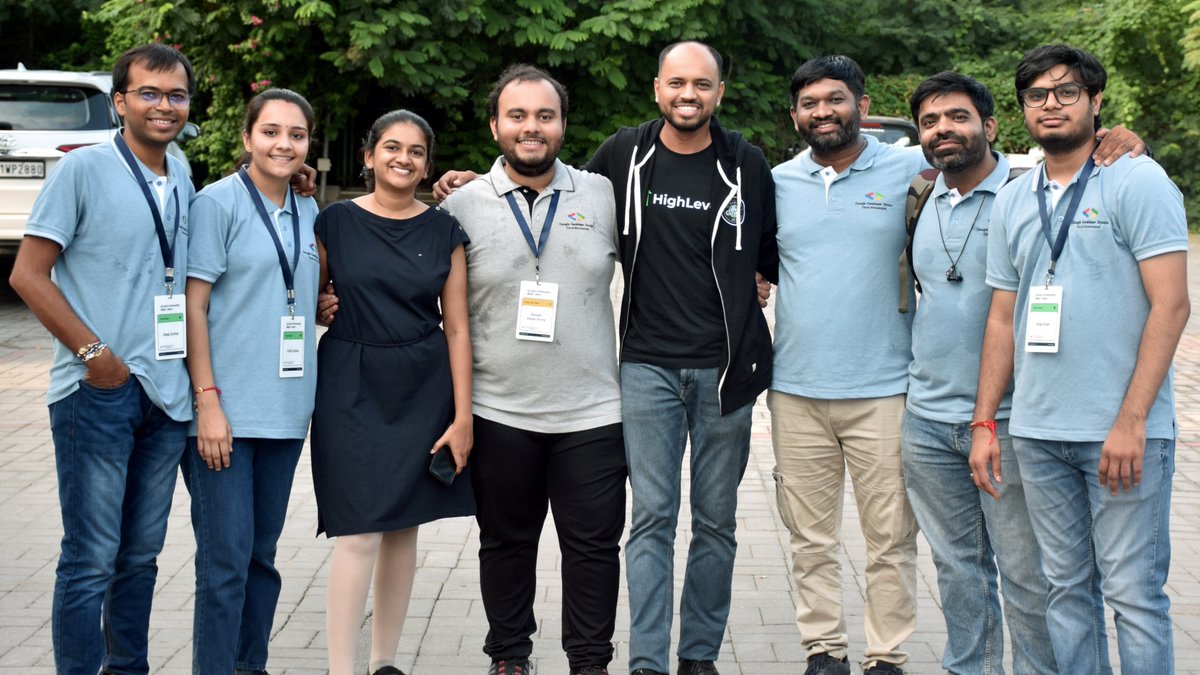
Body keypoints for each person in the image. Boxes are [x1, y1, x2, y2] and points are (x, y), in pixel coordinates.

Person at [970, 44, 1188, 674]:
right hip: (1038, 435)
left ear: (1096, 102)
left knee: (1134, 598)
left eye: (1067, 92)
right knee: (1065, 593)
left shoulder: (1135, 179)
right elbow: (1003, 318)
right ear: (1021, 112)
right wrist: (986, 423)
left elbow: (1171, 306)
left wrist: (1131, 420)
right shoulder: (1015, 198)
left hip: (1122, 434)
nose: (1051, 104)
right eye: (1037, 95)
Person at [582, 42, 778, 675]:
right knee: (652, 519)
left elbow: (773, 249)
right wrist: (475, 181)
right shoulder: (624, 154)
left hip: (726, 372)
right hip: (645, 368)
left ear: (720, 92)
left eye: (702, 83)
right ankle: (646, 660)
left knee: (717, 523)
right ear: (657, 89)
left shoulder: (747, 164)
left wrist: (761, 280)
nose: (687, 93)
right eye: (676, 82)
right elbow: (563, 198)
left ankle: (697, 656)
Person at [7, 43, 196, 675]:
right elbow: (29, 275)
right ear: (120, 102)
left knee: (140, 557)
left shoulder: (185, 171)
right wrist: (98, 358)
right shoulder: (82, 170)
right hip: (99, 393)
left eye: (175, 95)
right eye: (149, 93)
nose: (163, 106)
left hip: (168, 395)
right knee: (91, 556)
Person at [440, 63, 626, 675]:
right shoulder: (460, 206)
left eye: (544, 116)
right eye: (517, 115)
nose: (531, 128)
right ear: (495, 125)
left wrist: (751, 276)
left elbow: (673, 252)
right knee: (506, 544)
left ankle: (591, 662)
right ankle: (509, 658)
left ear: (563, 125)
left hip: (593, 412)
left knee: (594, 550)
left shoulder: (602, 193)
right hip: (499, 411)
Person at [770, 55, 927, 675]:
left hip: (886, 389)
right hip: (796, 390)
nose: (823, 112)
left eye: (835, 100)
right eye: (810, 104)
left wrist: (1109, 139)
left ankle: (886, 655)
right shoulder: (777, 180)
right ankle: (824, 650)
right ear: (796, 115)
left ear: (862, 106)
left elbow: (995, 167)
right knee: (810, 537)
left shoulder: (912, 166)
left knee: (890, 537)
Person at [901, 72, 1057, 675]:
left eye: (958, 117)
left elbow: (1094, 157)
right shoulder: (920, 197)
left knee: (1026, 573)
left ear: (990, 127)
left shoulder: (1032, 195)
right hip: (927, 422)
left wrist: (1121, 139)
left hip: (1012, 422)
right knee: (957, 570)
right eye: (931, 121)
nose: (944, 130)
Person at [312, 110, 475, 675]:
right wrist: (316, 304)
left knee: (404, 526)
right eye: (391, 147)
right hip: (349, 383)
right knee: (358, 530)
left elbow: (456, 327)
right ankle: (341, 669)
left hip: (421, 387)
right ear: (368, 156)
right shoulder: (333, 221)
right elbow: (307, 294)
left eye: (415, 151)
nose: (402, 158)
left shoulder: (445, 229)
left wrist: (463, 415)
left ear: (428, 164)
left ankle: (385, 662)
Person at [180, 88, 320, 675]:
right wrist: (207, 403)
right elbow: (193, 306)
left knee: (261, 559)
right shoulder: (217, 204)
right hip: (225, 416)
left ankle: (250, 667)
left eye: (296, 134)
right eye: (270, 131)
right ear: (247, 139)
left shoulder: (310, 208)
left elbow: (304, 292)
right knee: (226, 564)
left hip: (287, 412)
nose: (283, 143)